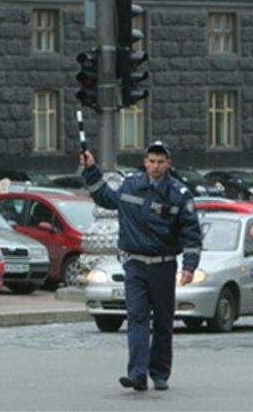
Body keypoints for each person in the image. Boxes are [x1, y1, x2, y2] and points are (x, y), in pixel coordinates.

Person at [81, 141, 202, 392]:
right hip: (135, 264)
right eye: (151, 161)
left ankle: (159, 373)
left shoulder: (179, 194)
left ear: (168, 163)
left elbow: (191, 235)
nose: (155, 166)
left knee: (162, 322)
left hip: (163, 265)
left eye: (160, 161)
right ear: (145, 161)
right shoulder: (131, 185)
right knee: (136, 318)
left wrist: (190, 267)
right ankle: (137, 373)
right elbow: (105, 197)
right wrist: (91, 169)